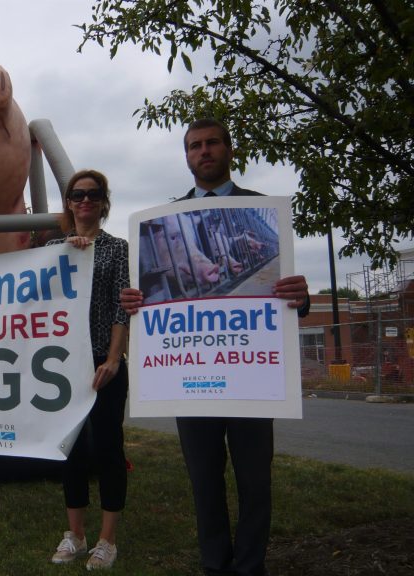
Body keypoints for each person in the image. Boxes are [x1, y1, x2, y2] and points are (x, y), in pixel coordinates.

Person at [121, 118, 310, 576]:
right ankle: (214, 565)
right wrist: (135, 303)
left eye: (210, 144)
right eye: (194, 146)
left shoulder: (264, 208)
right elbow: (154, 304)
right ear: (186, 157)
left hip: (248, 376)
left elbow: (287, 302)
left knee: (254, 479)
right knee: (204, 481)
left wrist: (301, 297)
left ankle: (249, 566)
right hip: (193, 382)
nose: (203, 152)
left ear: (228, 150)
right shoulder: (165, 218)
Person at [46, 169, 130, 571]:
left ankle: (106, 540)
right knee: (72, 449)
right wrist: (68, 251)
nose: (84, 201)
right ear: (68, 201)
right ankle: (75, 534)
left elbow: (121, 308)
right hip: (61, 366)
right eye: (77, 194)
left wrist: (113, 360)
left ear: (103, 201)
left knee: (109, 448)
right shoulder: (52, 248)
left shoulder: (117, 249)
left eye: (92, 194)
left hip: (102, 363)